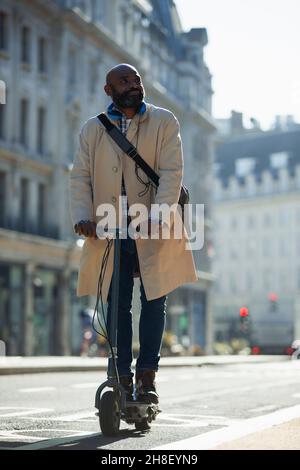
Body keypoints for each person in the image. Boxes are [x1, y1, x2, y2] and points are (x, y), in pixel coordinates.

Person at [69, 63, 197, 404]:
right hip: (110, 230)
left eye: (136, 79)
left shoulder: (164, 121)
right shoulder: (93, 129)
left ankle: (147, 376)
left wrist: (160, 215)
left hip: (154, 227)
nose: (133, 84)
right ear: (108, 90)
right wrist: (83, 217)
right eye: (124, 80)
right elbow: (80, 176)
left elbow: (172, 172)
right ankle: (121, 375)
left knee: (155, 301)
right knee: (117, 305)